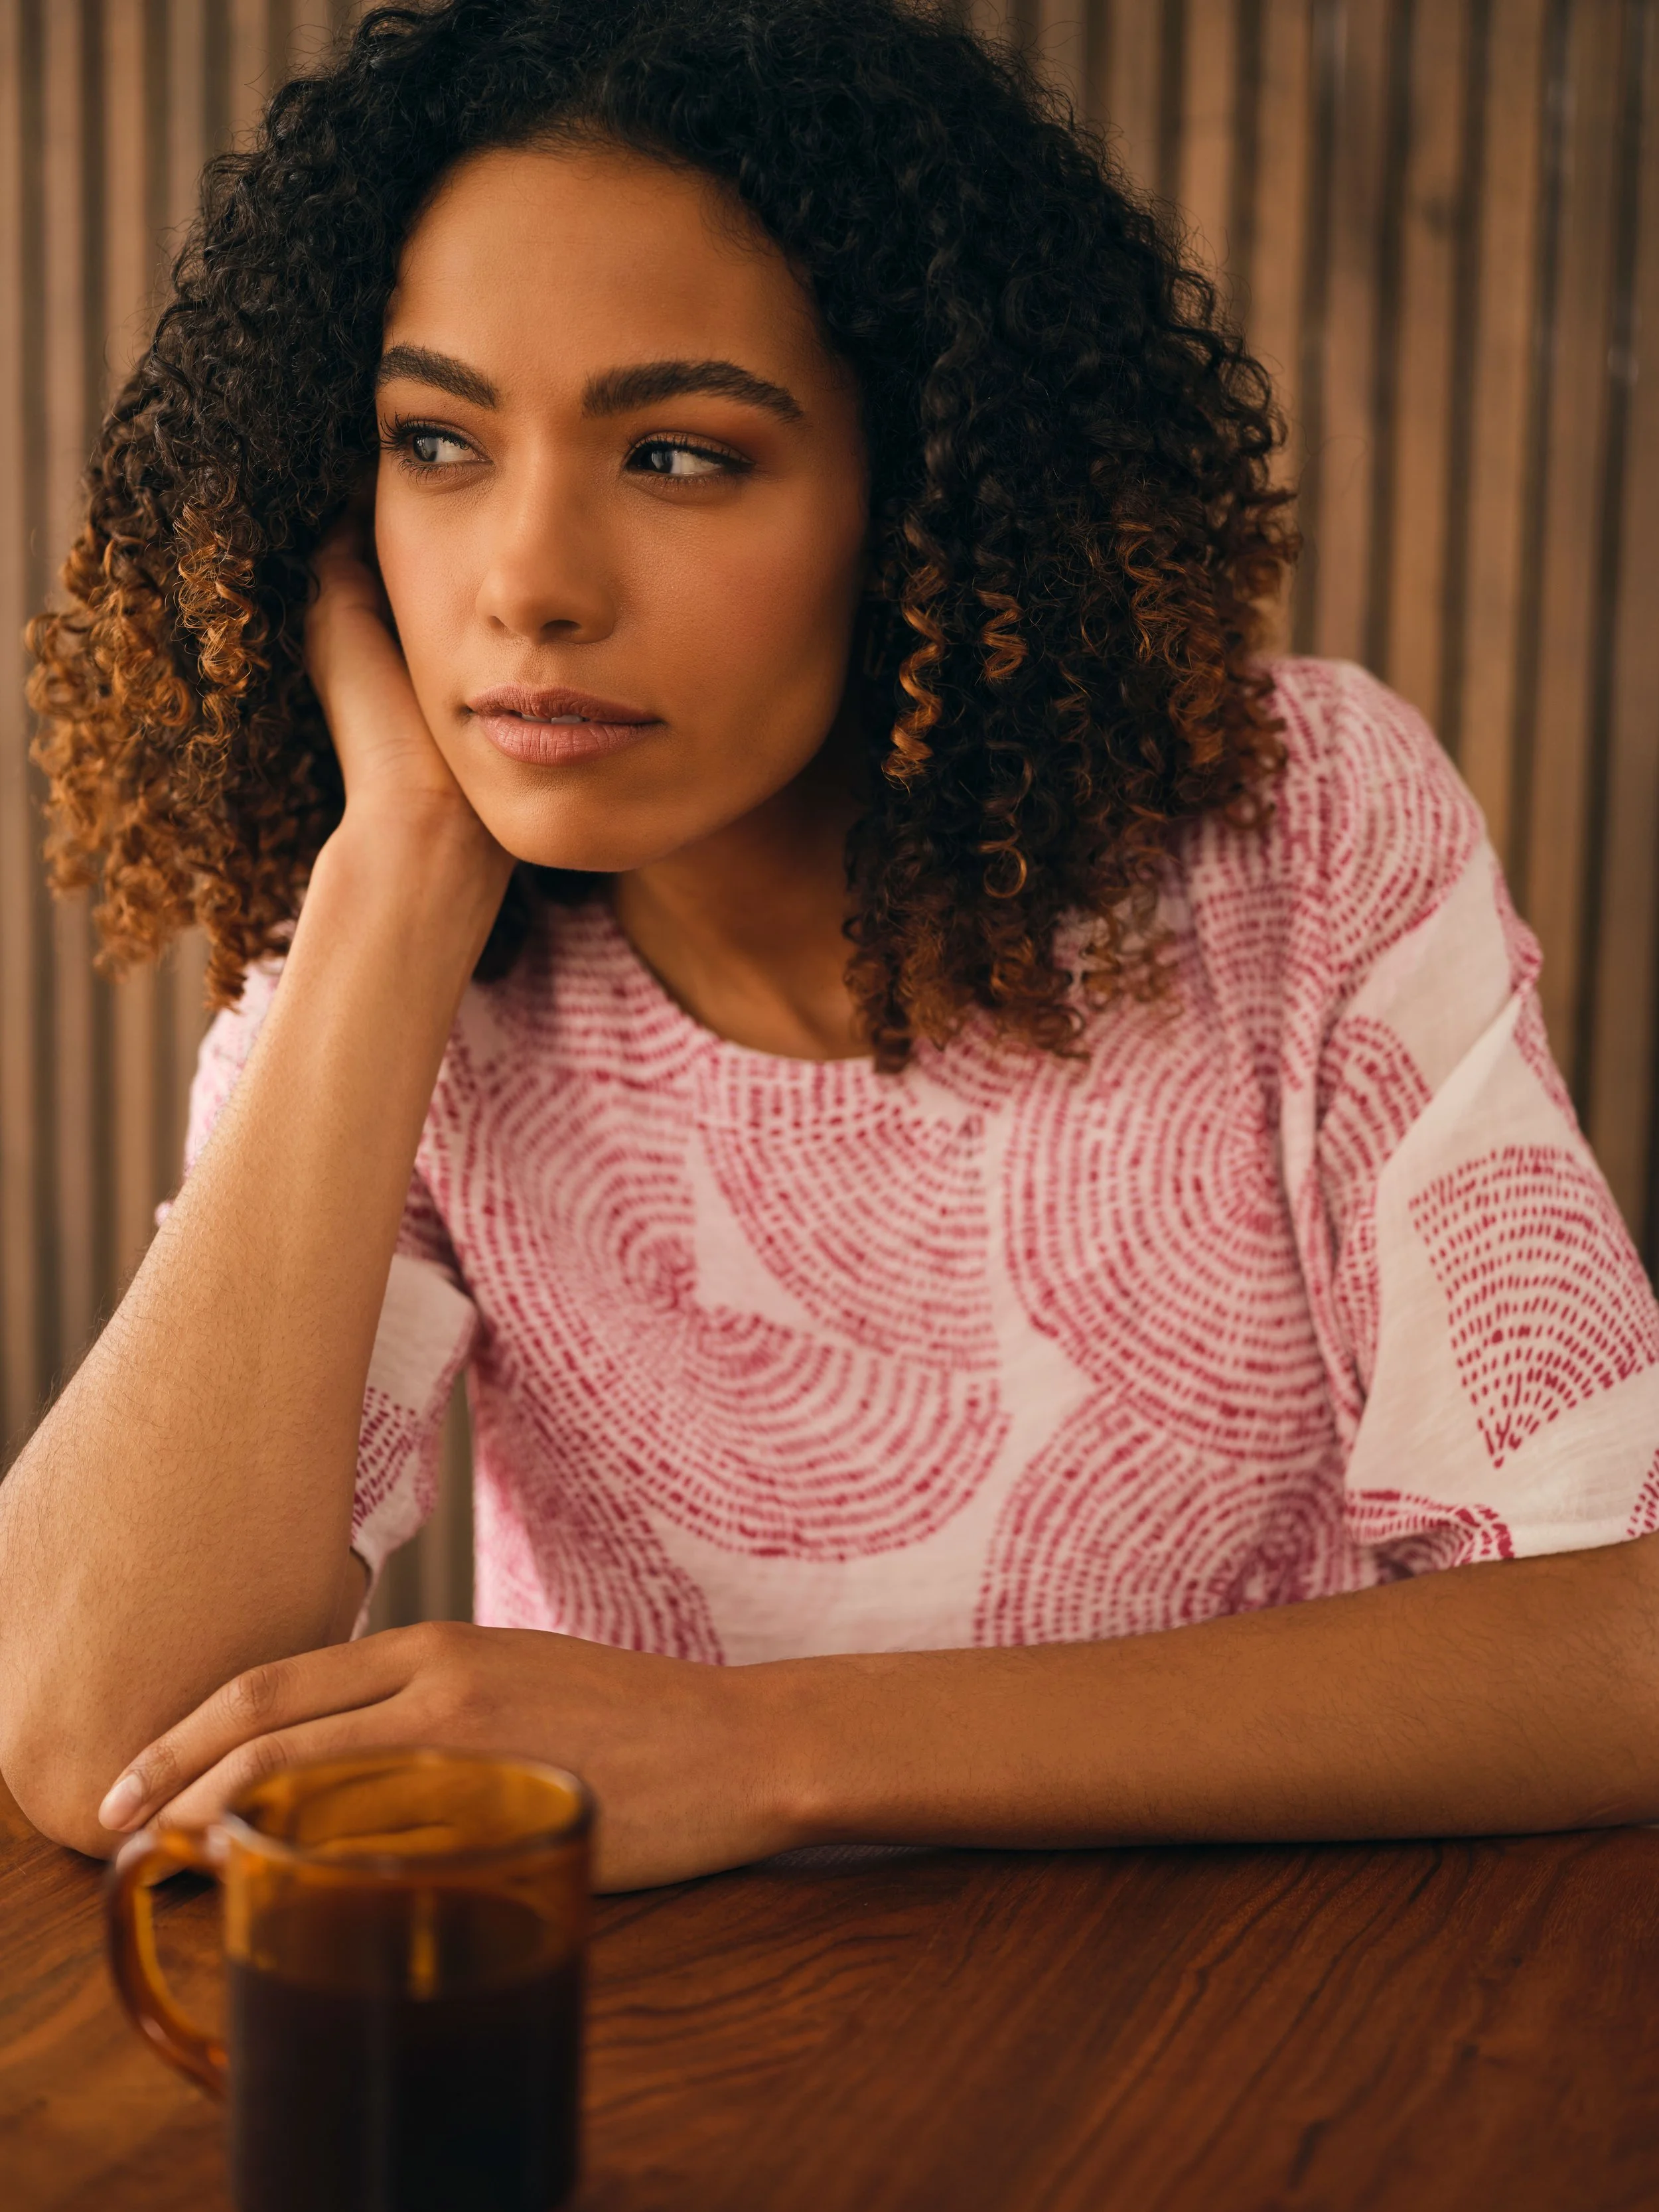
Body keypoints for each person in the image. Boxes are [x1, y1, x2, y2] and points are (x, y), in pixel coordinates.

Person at [5, 0, 1658, 1886]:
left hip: (1266, 2047)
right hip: (700, 2090)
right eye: (436, 441)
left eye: (683, 456)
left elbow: (1621, 1645)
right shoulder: (382, 1004)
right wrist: (392, 883)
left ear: (920, 498)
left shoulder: (1294, 837)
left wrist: (768, 1747)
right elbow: (92, 1732)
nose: (527, 578)